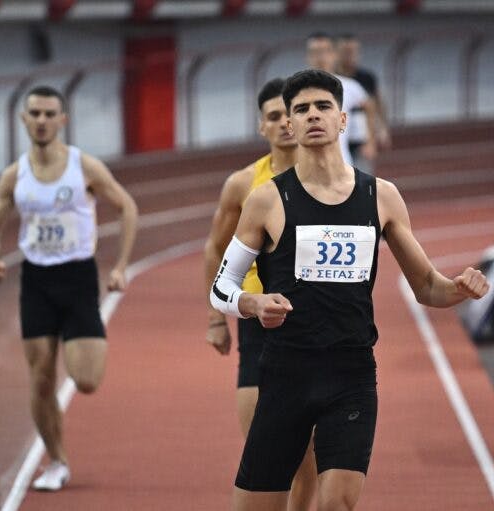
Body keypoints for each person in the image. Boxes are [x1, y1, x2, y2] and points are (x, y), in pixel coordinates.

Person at [209, 69, 489, 511]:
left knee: (337, 503)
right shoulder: (267, 200)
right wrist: (251, 301)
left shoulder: (381, 196)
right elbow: (221, 286)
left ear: (342, 120)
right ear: (290, 124)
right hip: (286, 374)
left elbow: (427, 287)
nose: (312, 115)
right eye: (301, 109)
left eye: (323, 106)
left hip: (351, 375)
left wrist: (460, 288)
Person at [0, 85, 138, 491]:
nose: (42, 120)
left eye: (50, 114)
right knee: (41, 378)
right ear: (24, 119)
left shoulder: (84, 167)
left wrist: (121, 265)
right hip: (36, 280)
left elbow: (127, 207)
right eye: (35, 113)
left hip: (78, 277)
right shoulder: (14, 176)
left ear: (62, 120)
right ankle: (57, 460)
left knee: (86, 379)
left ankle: (79, 345)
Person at [203, 78, 316, 510]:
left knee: (308, 458)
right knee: (264, 447)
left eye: (291, 114)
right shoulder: (243, 184)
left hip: (310, 324)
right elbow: (214, 248)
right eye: (274, 116)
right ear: (261, 126)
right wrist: (216, 319)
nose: (285, 123)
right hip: (257, 323)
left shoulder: (327, 181)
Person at [305, 32, 376, 169]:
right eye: (315, 52)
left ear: (334, 55)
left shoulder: (349, 86)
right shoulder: (296, 89)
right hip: (309, 165)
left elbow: (369, 106)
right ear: (308, 57)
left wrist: (370, 141)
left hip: (342, 161)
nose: (320, 57)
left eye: (324, 51)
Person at [335, 33, 392, 171]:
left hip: (361, 137)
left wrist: (382, 128)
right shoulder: (332, 77)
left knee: (363, 175)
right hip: (340, 136)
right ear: (337, 53)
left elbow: (377, 103)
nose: (350, 56)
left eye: (353, 52)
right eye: (346, 52)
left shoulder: (366, 77)